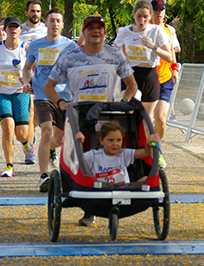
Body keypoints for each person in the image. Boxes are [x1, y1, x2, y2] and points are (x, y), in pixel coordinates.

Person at [44, 14, 138, 226]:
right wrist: (61, 104)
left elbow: (132, 85)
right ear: (84, 31)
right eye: (91, 28)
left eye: (99, 28)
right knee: (84, 160)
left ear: (104, 32)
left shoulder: (115, 55)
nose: (96, 31)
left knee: (109, 157)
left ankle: (113, 196)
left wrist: (124, 102)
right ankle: (90, 208)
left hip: (107, 116)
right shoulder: (70, 57)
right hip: (79, 117)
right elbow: (48, 86)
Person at [23, 7, 78, 192]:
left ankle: (52, 149)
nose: (55, 24)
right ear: (46, 24)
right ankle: (43, 175)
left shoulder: (70, 46)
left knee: (59, 139)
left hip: (63, 96)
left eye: (58, 21)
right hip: (41, 94)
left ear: (62, 25)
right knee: (46, 131)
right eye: (51, 20)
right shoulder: (35, 45)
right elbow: (27, 67)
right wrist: (26, 81)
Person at [0, 16, 34, 177]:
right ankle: (9, 166)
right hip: (1, 93)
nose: (13, 30)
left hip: (20, 93)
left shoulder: (26, 47)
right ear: (4, 30)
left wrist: (27, 80)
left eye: (16, 27)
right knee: (7, 127)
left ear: (21, 30)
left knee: (22, 134)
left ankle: (27, 145)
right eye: (10, 27)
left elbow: (33, 70)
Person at [114, 0, 172, 122]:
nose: (142, 20)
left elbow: (169, 57)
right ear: (134, 14)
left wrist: (154, 47)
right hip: (130, 75)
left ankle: (146, 140)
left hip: (149, 75)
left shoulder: (156, 31)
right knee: (130, 111)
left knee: (147, 118)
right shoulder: (125, 31)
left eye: (145, 17)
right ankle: (129, 140)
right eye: (139, 16)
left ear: (150, 16)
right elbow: (115, 52)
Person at [75, 121, 159, 184]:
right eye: (110, 140)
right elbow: (75, 160)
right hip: (100, 193)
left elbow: (146, 152)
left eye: (119, 140)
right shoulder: (93, 155)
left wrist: (148, 144)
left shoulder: (124, 153)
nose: (115, 144)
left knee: (146, 178)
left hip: (124, 191)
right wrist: (78, 140)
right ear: (101, 140)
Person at [150, 0, 180, 168]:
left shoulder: (170, 30)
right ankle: (145, 149)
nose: (159, 13)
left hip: (165, 79)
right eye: (156, 10)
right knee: (146, 119)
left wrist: (174, 67)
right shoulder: (144, 29)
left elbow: (171, 52)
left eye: (162, 10)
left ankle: (156, 149)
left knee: (161, 119)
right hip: (147, 79)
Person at [20, 0, 48, 165]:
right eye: (32, 11)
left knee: (38, 117)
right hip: (26, 76)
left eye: (38, 11)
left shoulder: (46, 29)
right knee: (29, 113)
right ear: (26, 12)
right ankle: (29, 152)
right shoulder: (20, 29)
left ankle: (33, 132)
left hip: (43, 78)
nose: (35, 14)